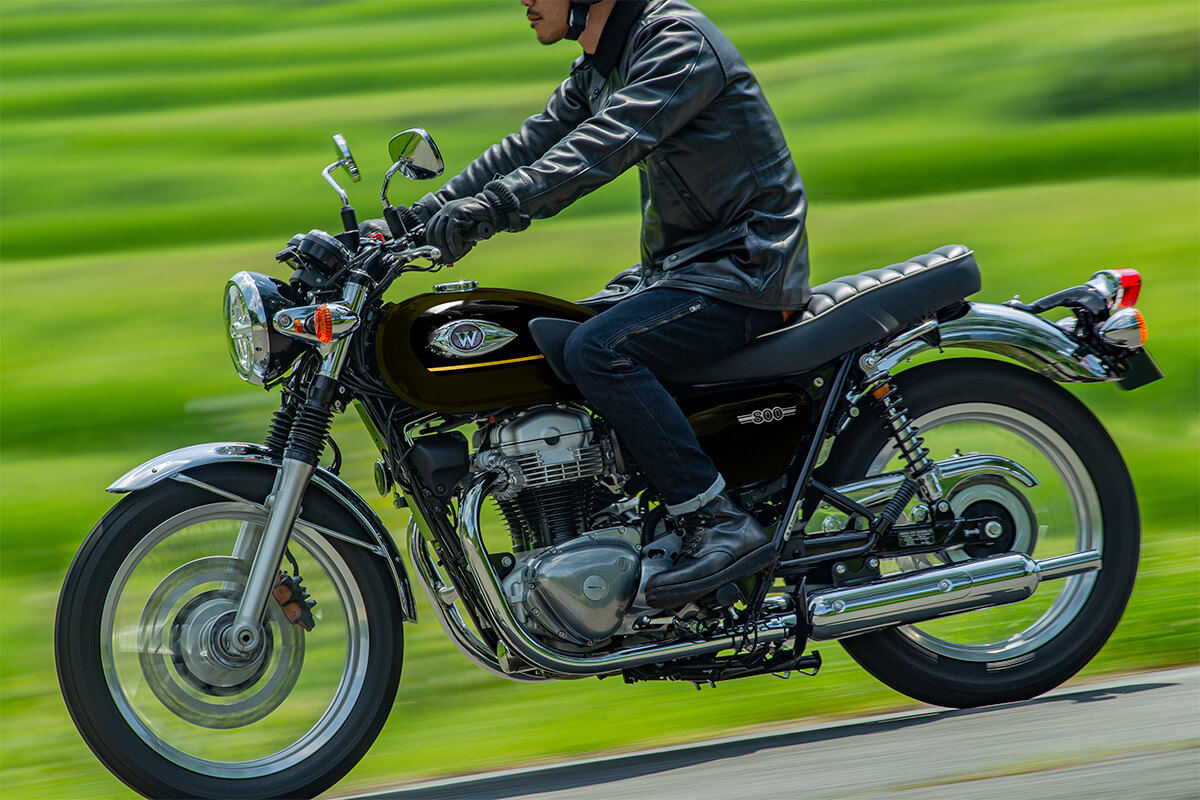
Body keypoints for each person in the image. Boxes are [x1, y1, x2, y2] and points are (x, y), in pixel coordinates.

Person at [408, 0, 810, 609]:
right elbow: (528, 145)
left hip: (744, 267)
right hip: (687, 267)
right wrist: (411, 220)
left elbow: (601, 145)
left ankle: (718, 521)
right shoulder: (601, 66)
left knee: (598, 349)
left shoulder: (677, 43)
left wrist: (490, 210)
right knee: (545, 336)